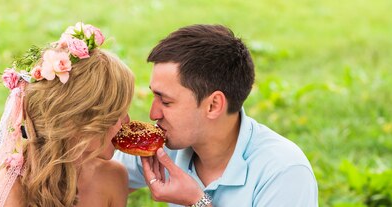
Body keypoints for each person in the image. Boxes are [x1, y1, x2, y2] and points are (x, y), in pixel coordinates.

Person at [113, 24, 318, 206]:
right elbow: (92, 175)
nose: (153, 113)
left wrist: (196, 202)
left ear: (213, 105)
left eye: (166, 101)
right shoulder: (165, 145)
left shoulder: (284, 172)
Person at [0, 22, 134, 207]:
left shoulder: (113, 178)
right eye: (115, 117)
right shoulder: (9, 191)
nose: (127, 122)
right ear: (74, 125)